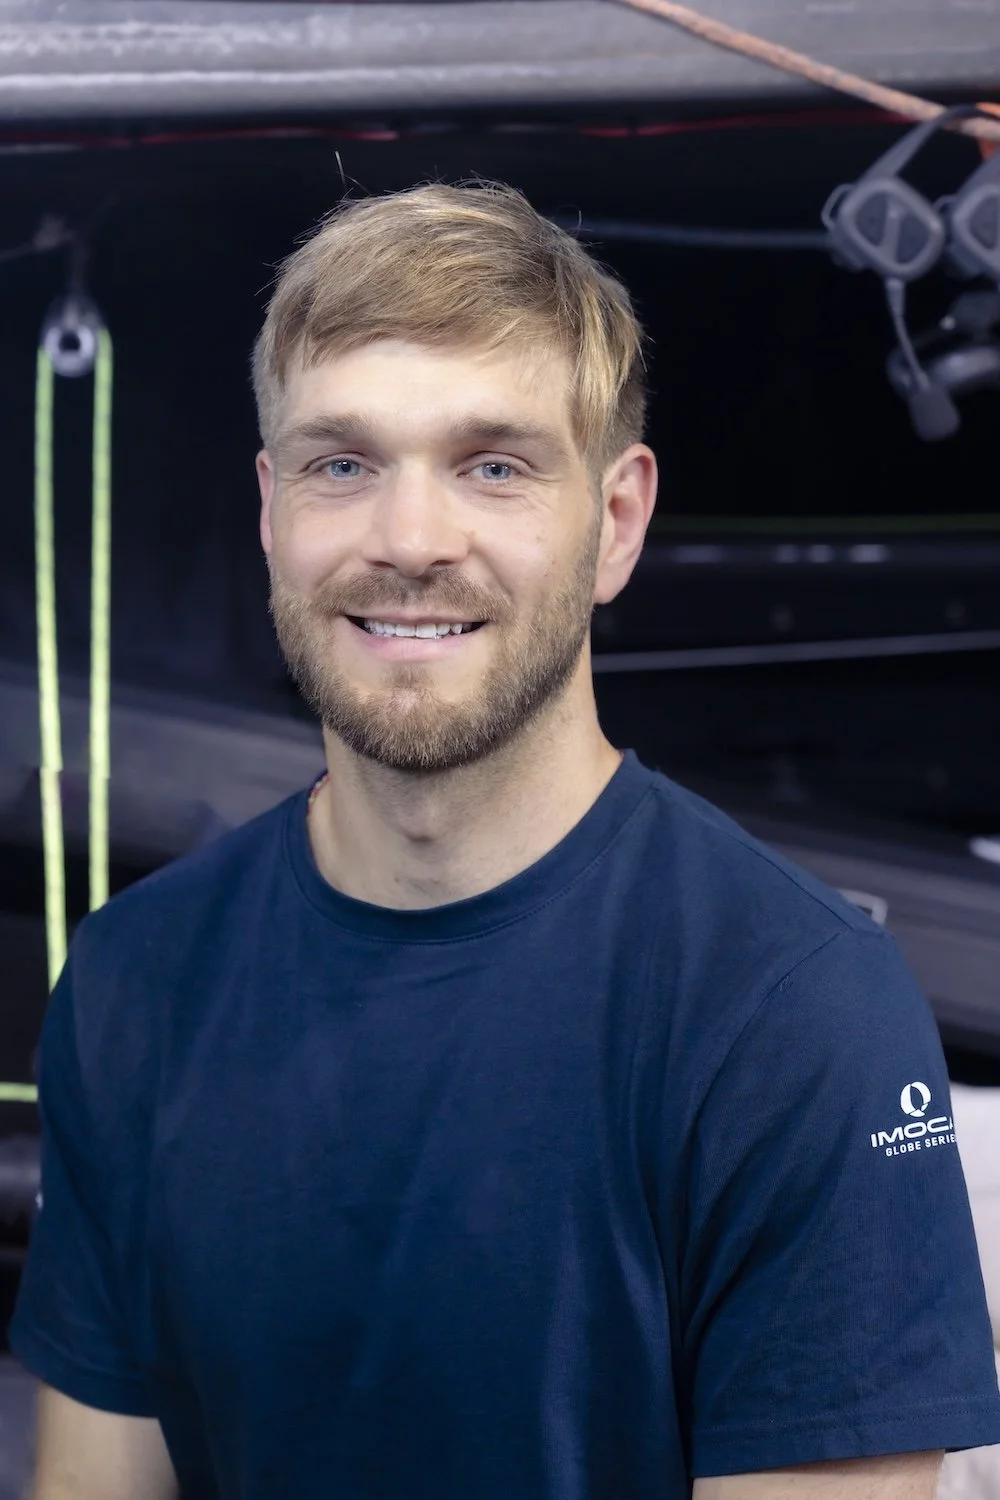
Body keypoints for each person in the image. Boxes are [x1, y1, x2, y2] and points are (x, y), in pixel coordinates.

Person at [9, 182, 1000, 1500]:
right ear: (270, 512)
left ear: (618, 521)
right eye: (342, 464)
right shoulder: (135, 979)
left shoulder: (792, 1007)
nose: (410, 540)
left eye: (494, 465)